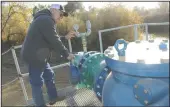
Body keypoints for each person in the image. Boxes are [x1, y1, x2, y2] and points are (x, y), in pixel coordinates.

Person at [21, 4, 76, 106]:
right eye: (61, 14)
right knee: (37, 84)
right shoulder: (45, 20)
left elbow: (50, 37)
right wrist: (66, 53)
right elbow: (54, 40)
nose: (61, 17)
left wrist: (64, 37)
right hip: (33, 57)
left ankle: (53, 98)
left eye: (63, 15)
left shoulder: (45, 19)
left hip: (41, 56)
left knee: (49, 75)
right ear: (53, 10)